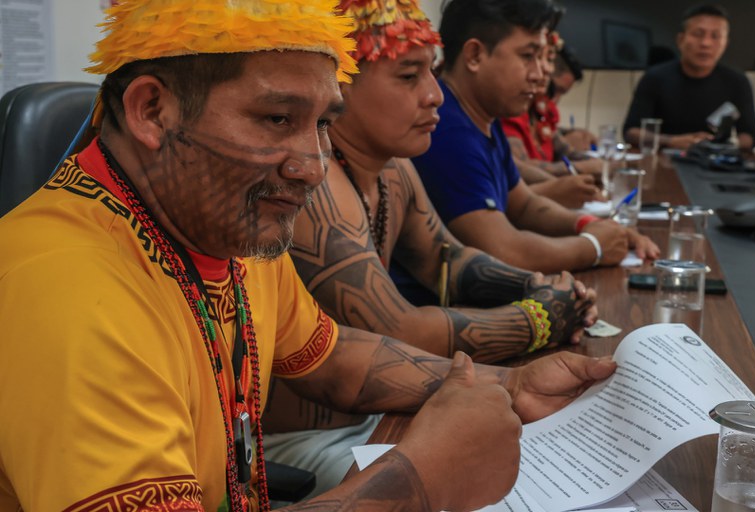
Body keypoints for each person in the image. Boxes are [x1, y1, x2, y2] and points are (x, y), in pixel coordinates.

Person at [0, 1, 618, 511]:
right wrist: (419, 479)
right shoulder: (68, 291)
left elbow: (333, 356)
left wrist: (508, 383)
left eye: (322, 124)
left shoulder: (224, 227)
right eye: (275, 118)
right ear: (151, 111)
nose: (313, 168)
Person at [262, 0, 599, 494]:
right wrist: (541, 318)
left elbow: (449, 259)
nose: (435, 95)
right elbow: (397, 328)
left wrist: (539, 285)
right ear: (338, 88)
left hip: (374, 418)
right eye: (408, 76)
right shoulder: (317, 185)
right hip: (302, 447)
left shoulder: (394, 169)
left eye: (431, 75)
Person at [410, 0, 660, 275]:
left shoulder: (482, 117)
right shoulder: (446, 130)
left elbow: (525, 205)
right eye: (528, 56)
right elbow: (504, 251)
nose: (540, 75)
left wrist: (590, 225)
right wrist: (594, 247)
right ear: (474, 56)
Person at [623, 4, 755, 151]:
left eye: (715, 36)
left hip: (714, 162)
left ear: (725, 43)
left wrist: (724, 144)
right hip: (664, 159)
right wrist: (672, 141)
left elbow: (750, 135)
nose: (705, 43)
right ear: (680, 40)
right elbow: (631, 132)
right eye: (698, 34)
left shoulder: (737, 81)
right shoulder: (654, 77)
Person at [501, 32, 602, 209]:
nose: (546, 69)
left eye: (548, 59)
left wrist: (602, 165)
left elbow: (565, 150)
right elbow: (519, 167)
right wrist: (582, 169)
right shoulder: (510, 108)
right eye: (534, 58)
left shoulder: (541, 108)